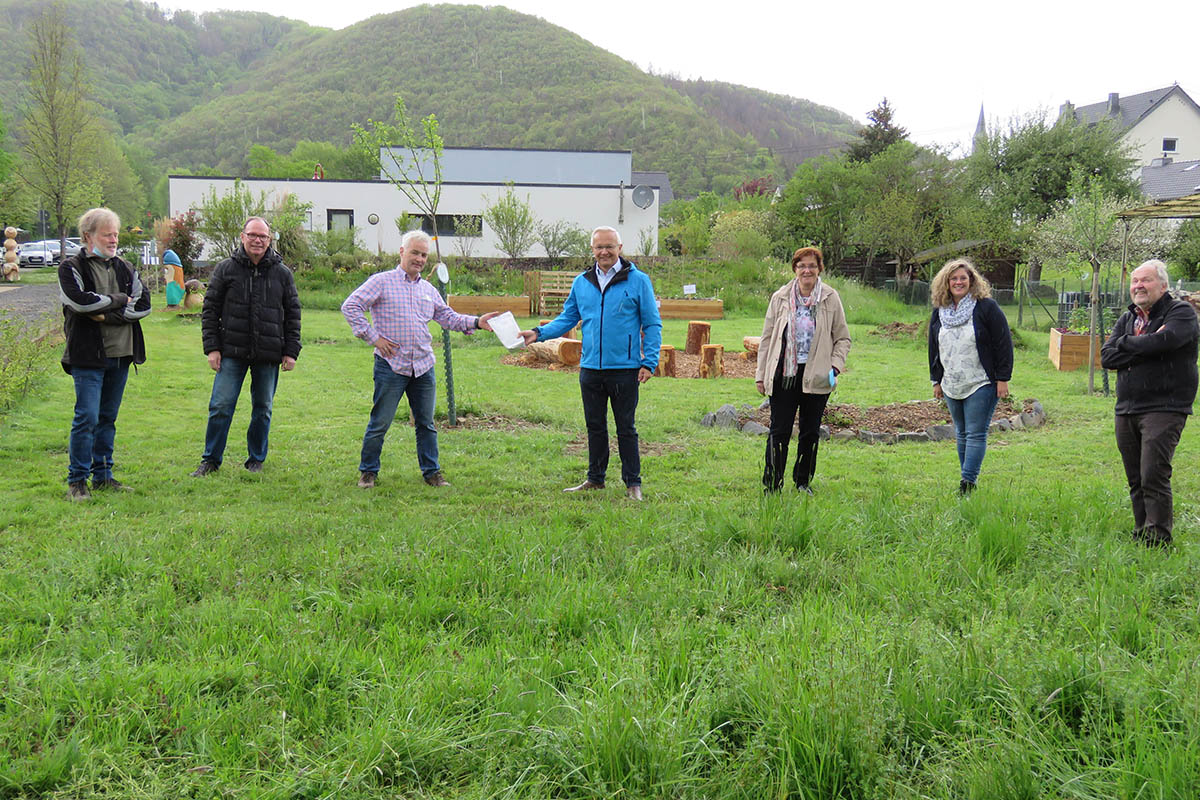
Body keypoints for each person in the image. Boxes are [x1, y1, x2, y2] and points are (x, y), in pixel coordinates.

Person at [342, 230, 498, 489]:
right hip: (391, 365)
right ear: (402, 252)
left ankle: (432, 473)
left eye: (424, 255)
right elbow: (351, 306)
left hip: (423, 366)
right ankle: (368, 472)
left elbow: (448, 317)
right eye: (415, 252)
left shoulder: (427, 289)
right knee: (380, 422)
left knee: (426, 424)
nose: (419, 259)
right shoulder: (381, 281)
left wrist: (476, 322)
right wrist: (373, 338)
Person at [519, 226, 661, 500]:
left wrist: (649, 361)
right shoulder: (582, 282)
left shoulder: (638, 281)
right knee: (594, 426)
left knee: (626, 428)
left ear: (620, 248)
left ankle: (633, 484)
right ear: (592, 250)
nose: (604, 252)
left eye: (609, 246)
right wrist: (538, 333)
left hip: (625, 368)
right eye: (599, 247)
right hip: (591, 369)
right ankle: (595, 479)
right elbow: (568, 318)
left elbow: (652, 323)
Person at [191, 217, 301, 476]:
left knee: (263, 408)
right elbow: (210, 310)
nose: (257, 240)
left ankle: (256, 459)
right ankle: (211, 460)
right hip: (231, 351)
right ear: (243, 237)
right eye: (252, 235)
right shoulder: (225, 269)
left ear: (269, 239)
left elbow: (293, 313)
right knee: (220, 406)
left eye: (263, 236)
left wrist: (291, 350)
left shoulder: (282, 273)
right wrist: (212, 348)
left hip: (269, 352)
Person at [1101, 259, 1199, 547]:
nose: (1139, 286)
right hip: (1127, 407)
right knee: (1135, 477)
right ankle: (1141, 532)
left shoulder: (1181, 312)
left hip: (1165, 406)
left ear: (1163, 285)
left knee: (1153, 473)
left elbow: (1165, 342)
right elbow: (1107, 357)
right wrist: (1141, 344)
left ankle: (1158, 540)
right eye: (1135, 281)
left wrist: (1126, 344)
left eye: (1146, 280)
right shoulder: (1129, 317)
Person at [58, 207, 151, 500]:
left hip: (121, 354)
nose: (113, 240)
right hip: (87, 355)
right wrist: (119, 300)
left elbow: (144, 305)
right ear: (88, 236)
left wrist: (107, 313)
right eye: (106, 234)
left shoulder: (126, 267)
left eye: (115, 234)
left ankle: (103, 475)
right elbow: (81, 303)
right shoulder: (70, 267)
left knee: (108, 417)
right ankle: (77, 481)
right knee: (86, 416)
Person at [756, 246, 850, 494]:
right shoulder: (780, 297)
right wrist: (760, 375)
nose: (807, 270)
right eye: (801, 265)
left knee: (809, 432)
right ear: (795, 269)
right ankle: (772, 484)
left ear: (819, 269)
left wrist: (835, 366)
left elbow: (843, 338)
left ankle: (802, 482)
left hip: (817, 375)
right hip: (783, 375)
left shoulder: (830, 297)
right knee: (779, 431)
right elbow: (767, 339)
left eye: (812, 265)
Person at [928, 258, 1012, 495]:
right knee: (961, 432)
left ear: (972, 281)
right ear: (946, 283)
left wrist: (1003, 378)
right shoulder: (940, 312)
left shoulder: (986, 307)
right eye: (953, 278)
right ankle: (967, 478)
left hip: (981, 382)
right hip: (952, 382)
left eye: (963, 278)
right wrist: (936, 380)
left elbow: (1003, 343)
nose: (958, 282)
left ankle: (968, 483)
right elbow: (934, 348)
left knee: (975, 432)